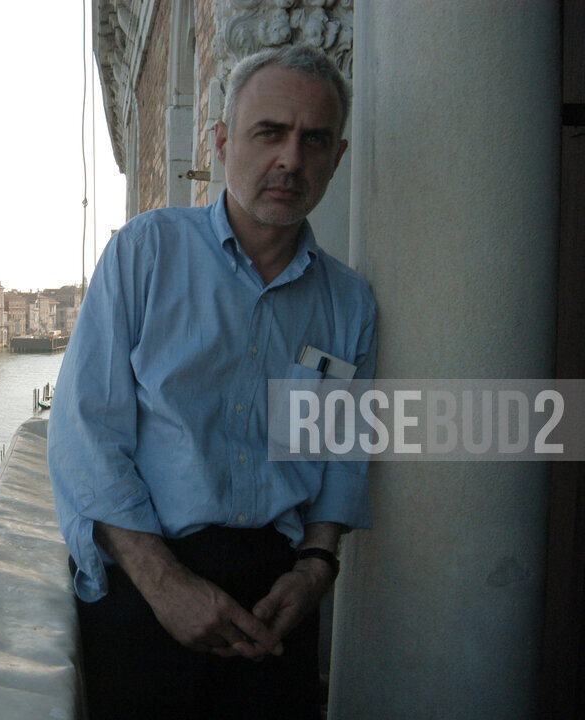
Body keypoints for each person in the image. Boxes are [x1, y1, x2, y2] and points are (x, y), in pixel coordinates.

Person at [48, 44, 376, 720]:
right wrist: (164, 585)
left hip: (277, 601)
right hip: (145, 582)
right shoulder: (145, 252)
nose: (290, 158)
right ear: (223, 142)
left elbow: (342, 452)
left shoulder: (350, 304)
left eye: (313, 140)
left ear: (336, 158)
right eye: (269, 133)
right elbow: (86, 431)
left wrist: (315, 568)